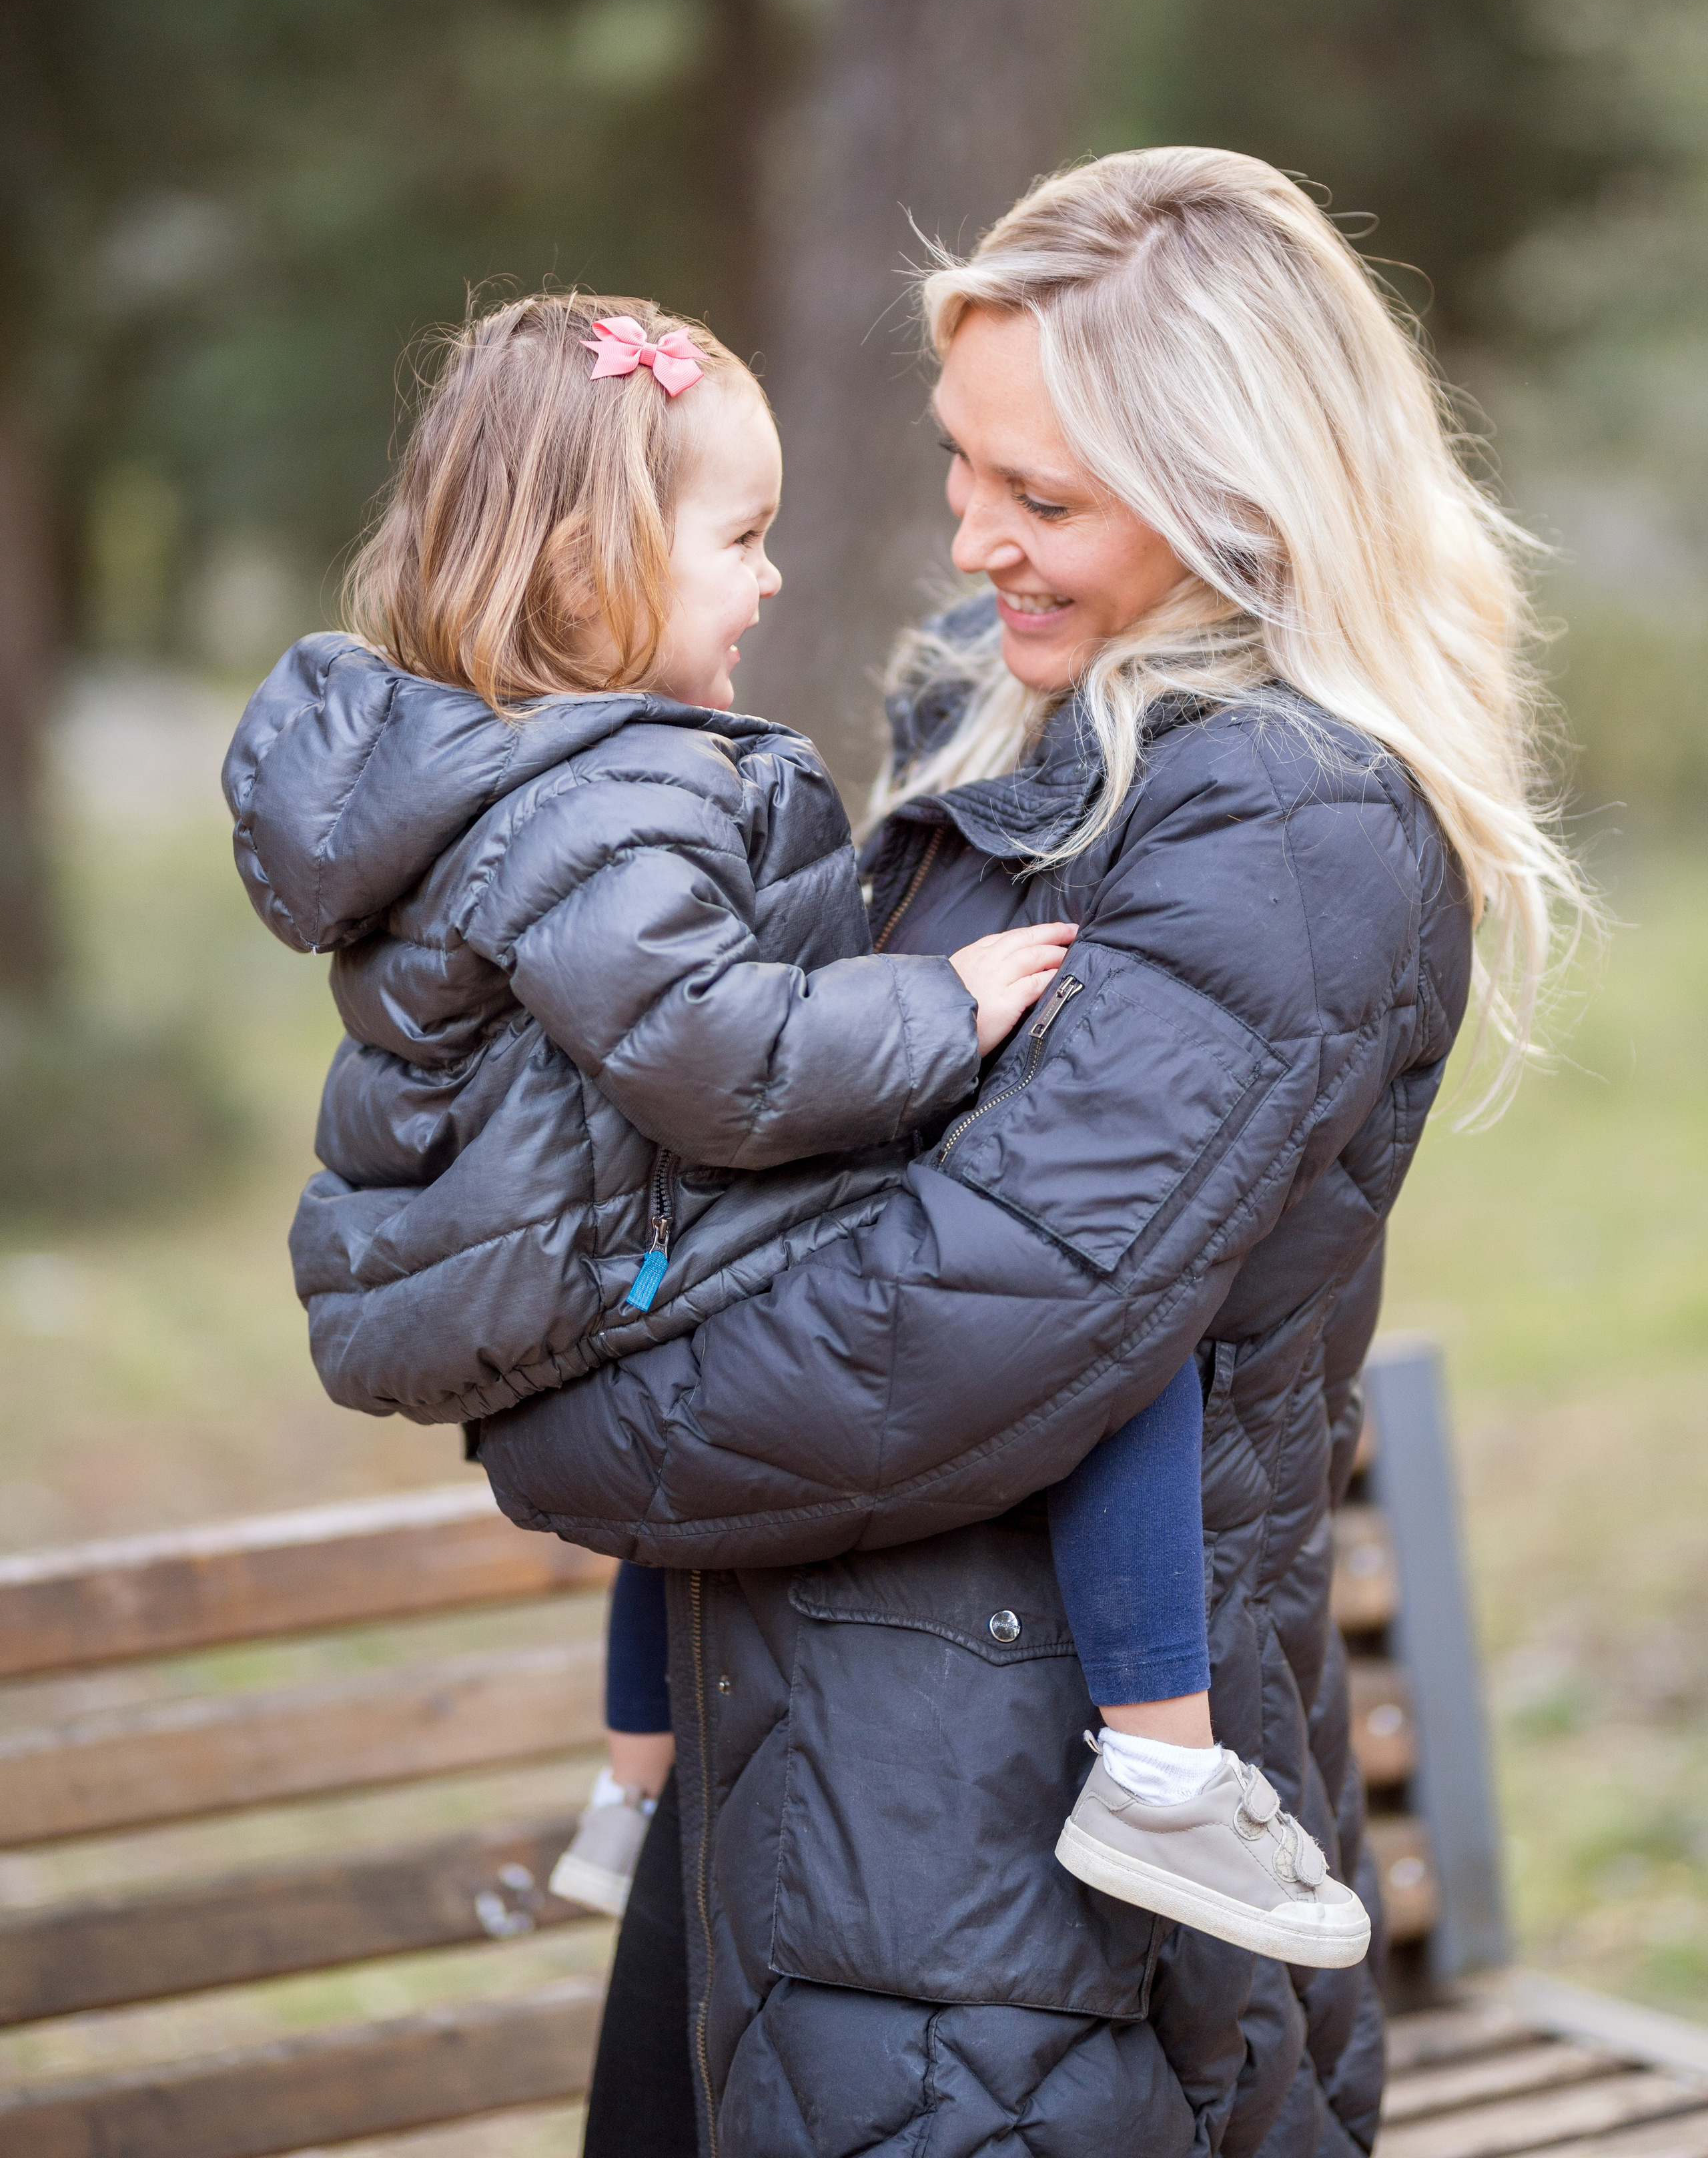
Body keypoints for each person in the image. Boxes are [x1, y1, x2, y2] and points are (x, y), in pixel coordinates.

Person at [471, 149, 1592, 2158]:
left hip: (1007, 1858)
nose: (971, 536)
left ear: (1247, 498)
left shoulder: (1284, 819)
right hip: (819, 1782)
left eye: (1044, 499)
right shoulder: (998, 716)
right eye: (960, 464)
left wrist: (557, 1408)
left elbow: (968, 1334)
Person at [223, 281, 1353, 1966]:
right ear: (588, 573)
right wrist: (939, 1008)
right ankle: (1161, 1768)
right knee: (1118, 1325)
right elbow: (708, 1051)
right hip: (611, 1245)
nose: (767, 579)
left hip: (564, 1253)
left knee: (705, 1367)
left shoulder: (485, 766)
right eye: (738, 541)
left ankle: (632, 1786)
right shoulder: (610, 796)